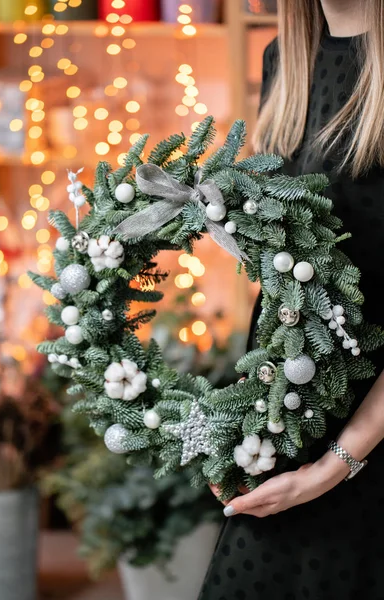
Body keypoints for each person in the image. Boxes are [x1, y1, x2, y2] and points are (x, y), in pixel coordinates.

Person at [198, 1, 384, 598]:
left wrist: (335, 465)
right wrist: (245, 425)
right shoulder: (284, 63)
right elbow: (283, 285)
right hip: (294, 417)